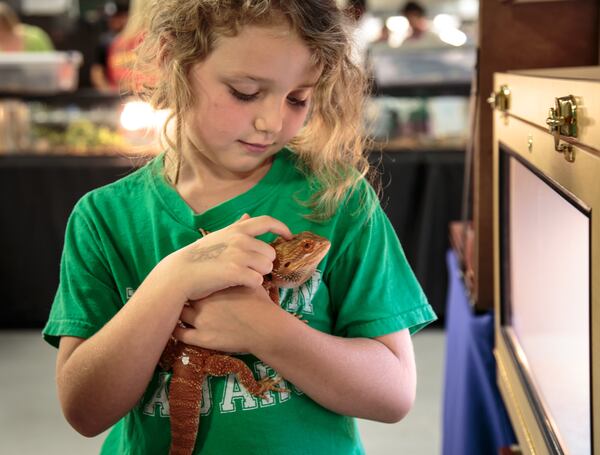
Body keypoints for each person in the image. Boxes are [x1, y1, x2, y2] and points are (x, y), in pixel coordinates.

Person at [43, 1, 437, 454]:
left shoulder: (337, 199)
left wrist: (264, 330)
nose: (271, 122)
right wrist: (171, 282)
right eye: (245, 92)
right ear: (174, 60)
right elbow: (84, 410)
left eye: (298, 98)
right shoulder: (104, 218)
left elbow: (394, 394)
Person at [90, 1, 129, 91]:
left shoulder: (140, 39)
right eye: (111, 18)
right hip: (115, 95)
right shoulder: (105, 42)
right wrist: (109, 92)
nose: (114, 21)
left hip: (139, 94)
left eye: (118, 17)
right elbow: (96, 73)